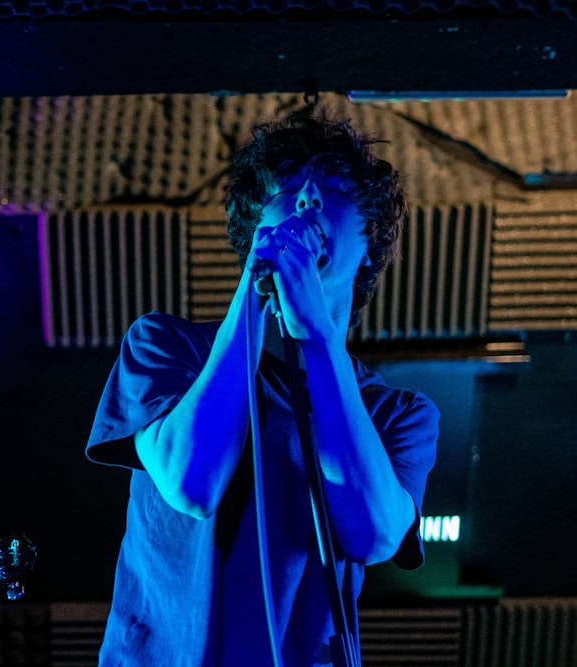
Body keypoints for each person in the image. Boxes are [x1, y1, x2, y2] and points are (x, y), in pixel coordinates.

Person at [86, 105, 439, 666]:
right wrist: (258, 287)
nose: (307, 201)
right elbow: (191, 482)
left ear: (371, 242)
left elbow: (373, 535)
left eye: (333, 189)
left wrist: (320, 336)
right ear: (253, 228)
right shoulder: (165, 346)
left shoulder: (399, 414)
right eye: (288, 188)